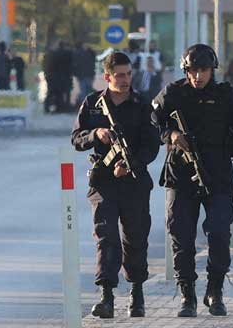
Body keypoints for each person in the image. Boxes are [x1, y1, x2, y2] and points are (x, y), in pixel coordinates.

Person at [151, 44, 233, 318]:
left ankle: (215, 290)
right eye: (193, 71)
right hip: (181, 174)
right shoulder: (174, 93)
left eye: (204, 71)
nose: (198, 76)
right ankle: (187, 294)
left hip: (218, 174)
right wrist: (171, 134)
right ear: (185, 70)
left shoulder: (226, 96)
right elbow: (153, 119)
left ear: (213, 70)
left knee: (220, 233)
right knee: (181, 235)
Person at [72, 51, 160, 319]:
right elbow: (76, 139)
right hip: (103, 182)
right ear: (107, 77)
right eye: (119, 75)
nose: (125, 80)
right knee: (106, 237)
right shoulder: (92, 104)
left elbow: (152, 144)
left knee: (135, 238)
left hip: (133, 181)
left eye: (128, 74)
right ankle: (106, 296)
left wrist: (132, 164)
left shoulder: (142, 104)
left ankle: (137, 294)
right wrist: (95, 134)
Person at [72, 41, 96, 105]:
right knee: (88, 89)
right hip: (89, 74)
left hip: (81, 75)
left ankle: (83, 104)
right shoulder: (88, 52)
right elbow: (94, 58)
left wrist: (75, 73)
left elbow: (75, 65)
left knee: (83, 90)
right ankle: (88, 104)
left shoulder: (76, 53)